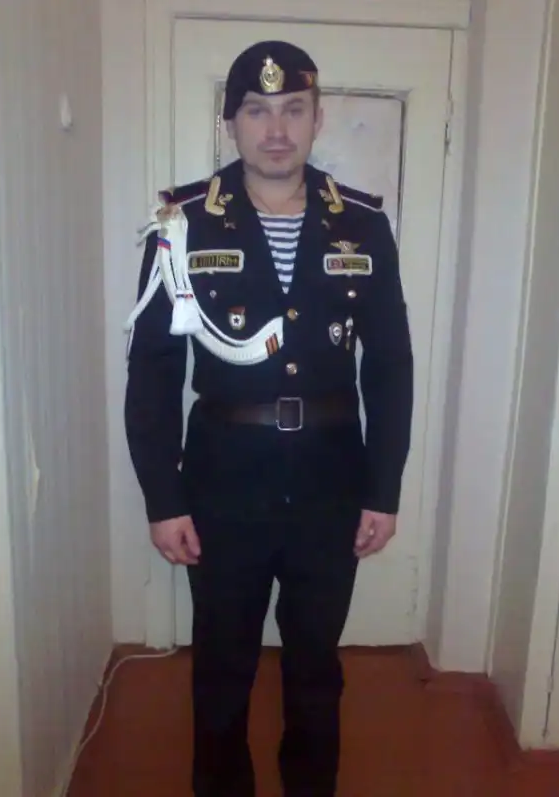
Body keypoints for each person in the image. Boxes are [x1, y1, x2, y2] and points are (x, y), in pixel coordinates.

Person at [124, 39, 413, 797]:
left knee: (316, 664)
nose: (276, 129)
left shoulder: (362, 225)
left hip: (330, 482)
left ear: (317, 119)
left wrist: (383, 489)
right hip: (223, 482)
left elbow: (389, 366)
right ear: (231, 123)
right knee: (223, 666)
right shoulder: (183, 222)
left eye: (293, 109)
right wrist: (163, 499)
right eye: (257, 110)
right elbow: (153, 372)